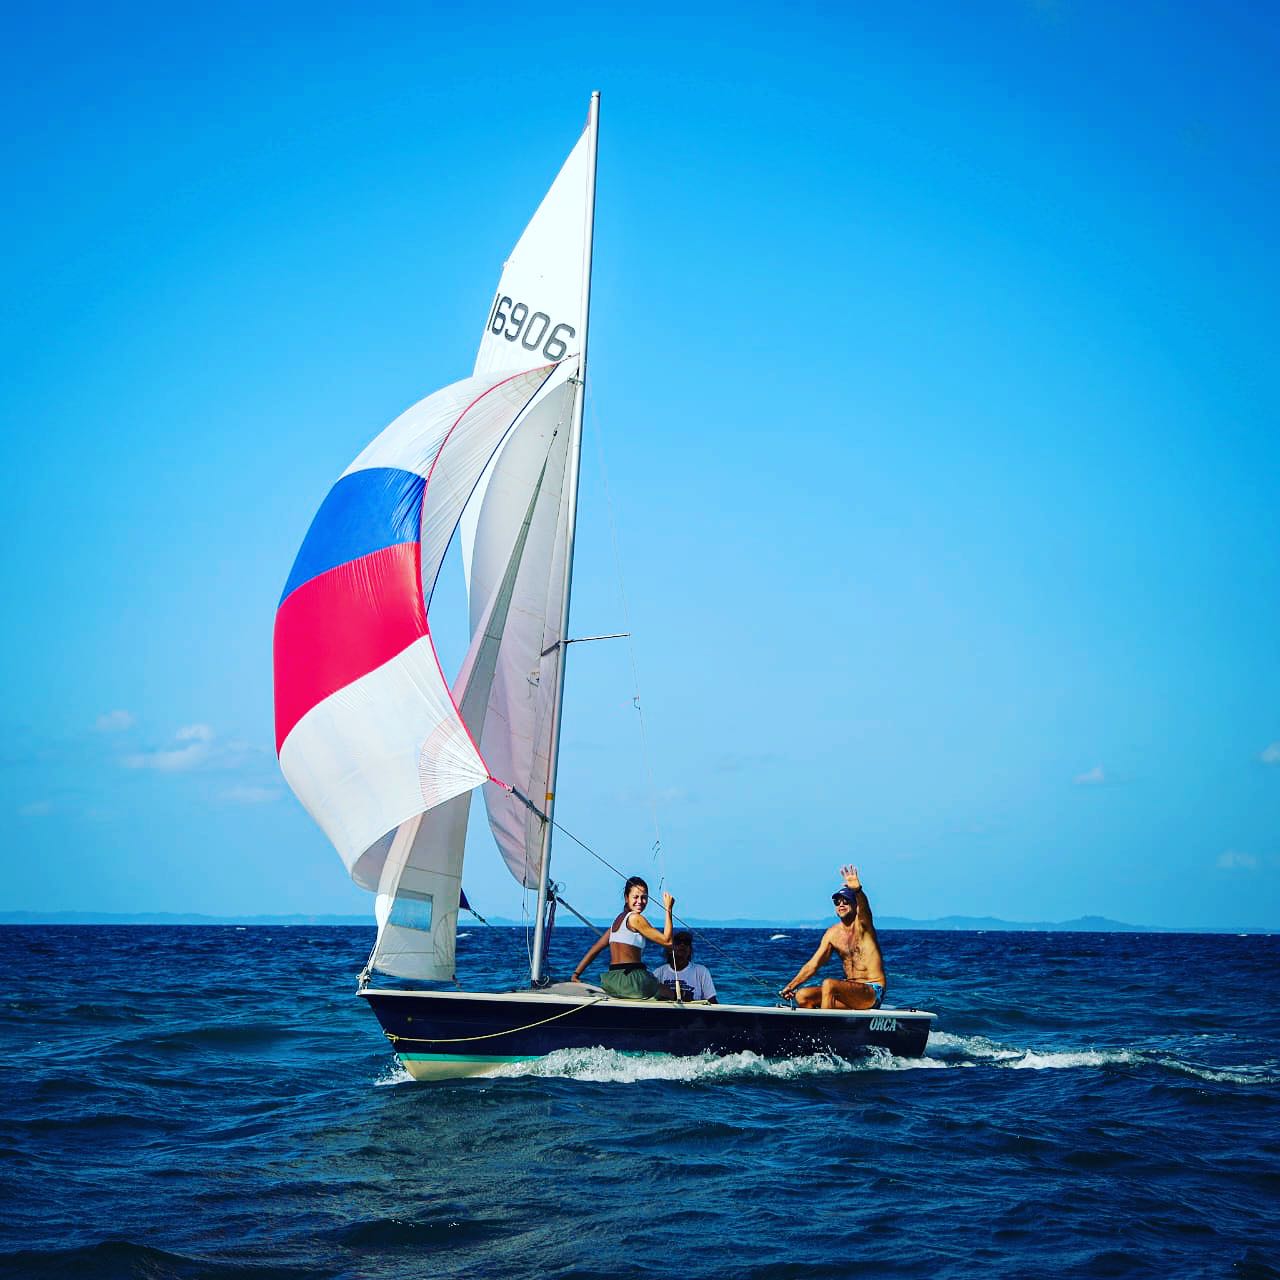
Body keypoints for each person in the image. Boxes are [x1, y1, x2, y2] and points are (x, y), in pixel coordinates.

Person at [780, 865, 886, 1009]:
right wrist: (791, 986)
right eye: (837, 902)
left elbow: (866, 911)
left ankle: (822, 1030)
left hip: (872, 991)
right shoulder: (832, 933)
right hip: (850, 992)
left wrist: (858, 891)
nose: (841, 904)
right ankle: (811, 1029)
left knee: (829, 984)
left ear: (855, 905)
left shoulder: (862, 926)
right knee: (803, 995)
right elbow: (813, 965)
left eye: (846, 901)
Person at [571, 876, 676, 999]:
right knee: (670, 993)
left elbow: (595, 949)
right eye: (635, 897)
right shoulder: (635, 918)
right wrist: (668, 909)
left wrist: (576, 974)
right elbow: (667, 941)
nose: (640, 901)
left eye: (644, 897)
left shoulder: (616, 922)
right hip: (631, 980)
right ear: (626, 898)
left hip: (612, 981)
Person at [653, 930, 718, 1003]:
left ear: (690, 950)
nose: (682, 945)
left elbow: (712, 1001)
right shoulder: (659, 972)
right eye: (678, 942)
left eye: (686, 943)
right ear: (670, 949)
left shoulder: (701, 972)